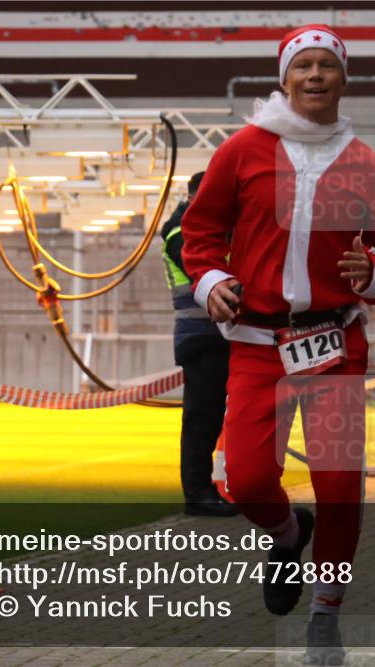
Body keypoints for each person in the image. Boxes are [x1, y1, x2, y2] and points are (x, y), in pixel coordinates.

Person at [181, 23, 375, 664]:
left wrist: (372, 273)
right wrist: (209, 280)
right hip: (257, 344)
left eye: (327, 66)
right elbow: (198, 232)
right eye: (303, 65)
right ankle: (288, 535)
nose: (315, 75)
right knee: (248, 481)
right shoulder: (243, 150)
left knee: (341, 486)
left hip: (336, 345)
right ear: (284, 77)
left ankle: (326, 611)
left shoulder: (367, 162)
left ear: (345, 79)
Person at [161, 171, 239, 518]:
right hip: (202, 335)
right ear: (198, 196)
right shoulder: (180, 231)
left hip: (217, 334)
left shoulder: (198, 227)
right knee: (201, 419)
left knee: (210, 418)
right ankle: (197, 493)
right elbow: (208, 271)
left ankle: (206, 491)